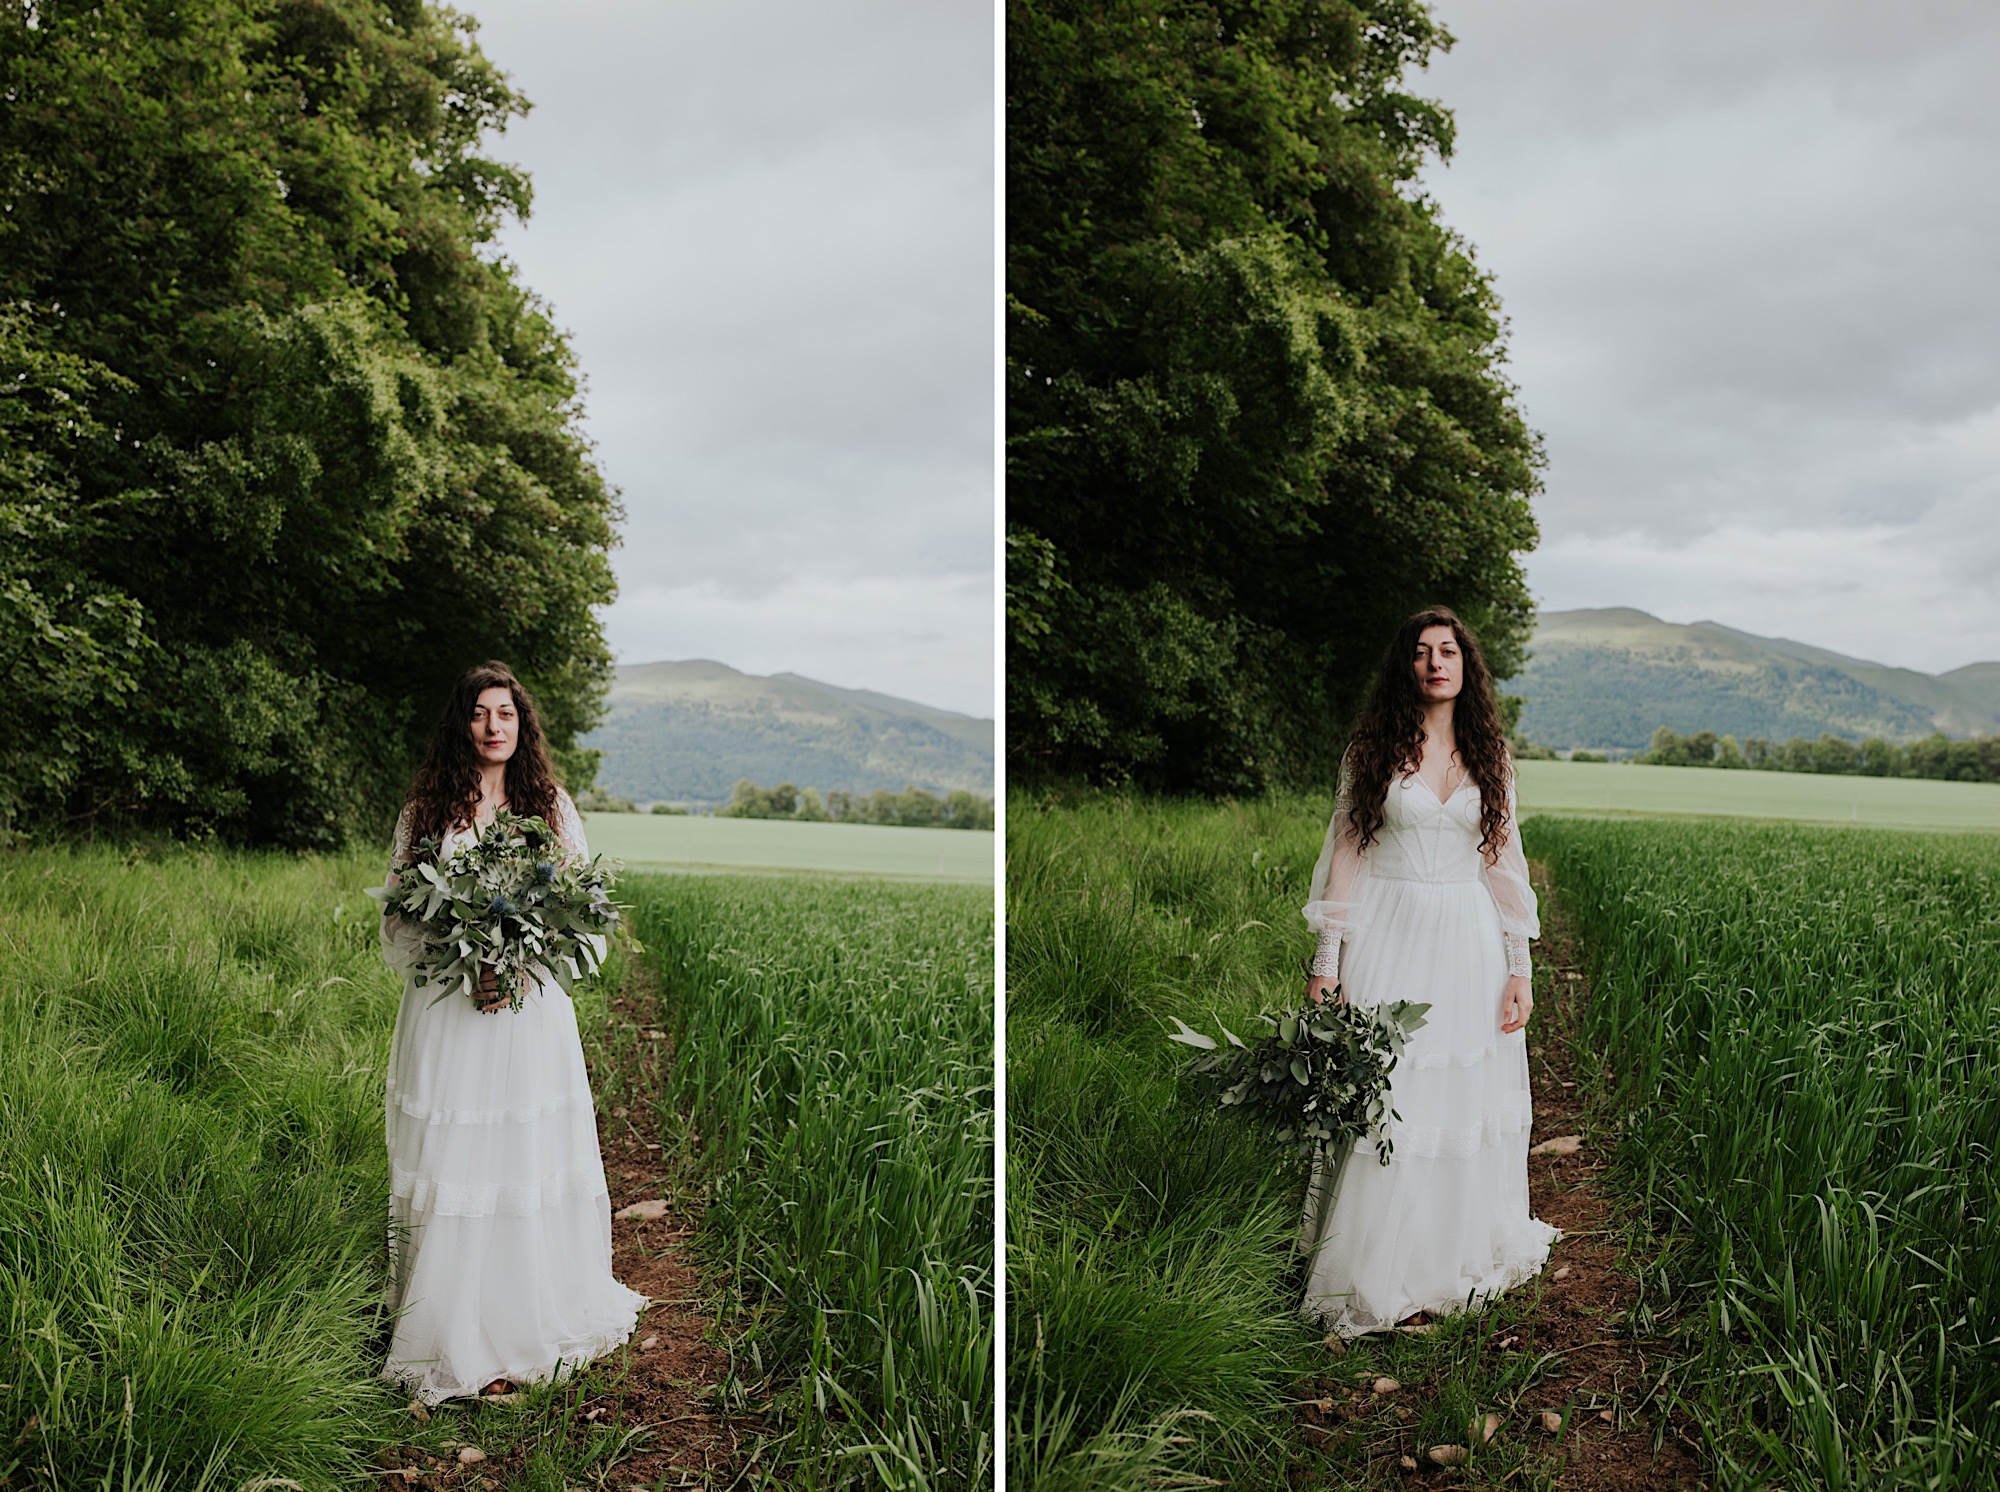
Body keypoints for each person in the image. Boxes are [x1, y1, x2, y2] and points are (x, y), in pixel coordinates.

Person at [378, 661, 647, 1403]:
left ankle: (521, 1322)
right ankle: (448, 1328)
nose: (494, 726)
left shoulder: (550, 806)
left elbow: (582, 916)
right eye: (479, 714)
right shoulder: (425, 811)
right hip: (450, 1009)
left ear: (522, 726)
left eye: (506, 714)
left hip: (528, 1009)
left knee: (516, 1156)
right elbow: (401, 920)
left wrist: (521, 964)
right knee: (457, 1156)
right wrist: (465, 963)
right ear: (459, 725)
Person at [1297, 607, 1558, 1334]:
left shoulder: (1490, 755)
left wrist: (1519, 967)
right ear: (1405, 668)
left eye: (1447, 651)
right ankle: (1373, 1267)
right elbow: (1346, 857)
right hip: (1390, 930)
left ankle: (1450, 1255)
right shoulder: (1373, 749)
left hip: (1468, 939)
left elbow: (1504, 867)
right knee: (1391, 1091)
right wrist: (1328, 960)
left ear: (1466, 666)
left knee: (1458, 1097)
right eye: (1420, 652)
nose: (1435, 662)